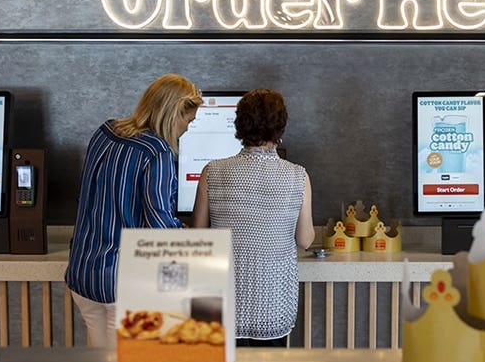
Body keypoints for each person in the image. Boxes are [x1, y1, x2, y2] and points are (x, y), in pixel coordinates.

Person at [64, 74, 202, 347]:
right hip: (119, 279)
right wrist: (188, 236)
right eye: (188, 120)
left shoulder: (105, 131)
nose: (187, 129)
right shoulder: (157, 152)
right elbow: (159, 225)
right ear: (174, 114)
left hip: (82, 271)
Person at [192, 88, 314, 347]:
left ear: (240, 124)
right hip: (273, 307)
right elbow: (304, 240)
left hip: (222, 304)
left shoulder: (212, 171)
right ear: (280, 127)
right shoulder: (298, 176)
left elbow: (199, 235)